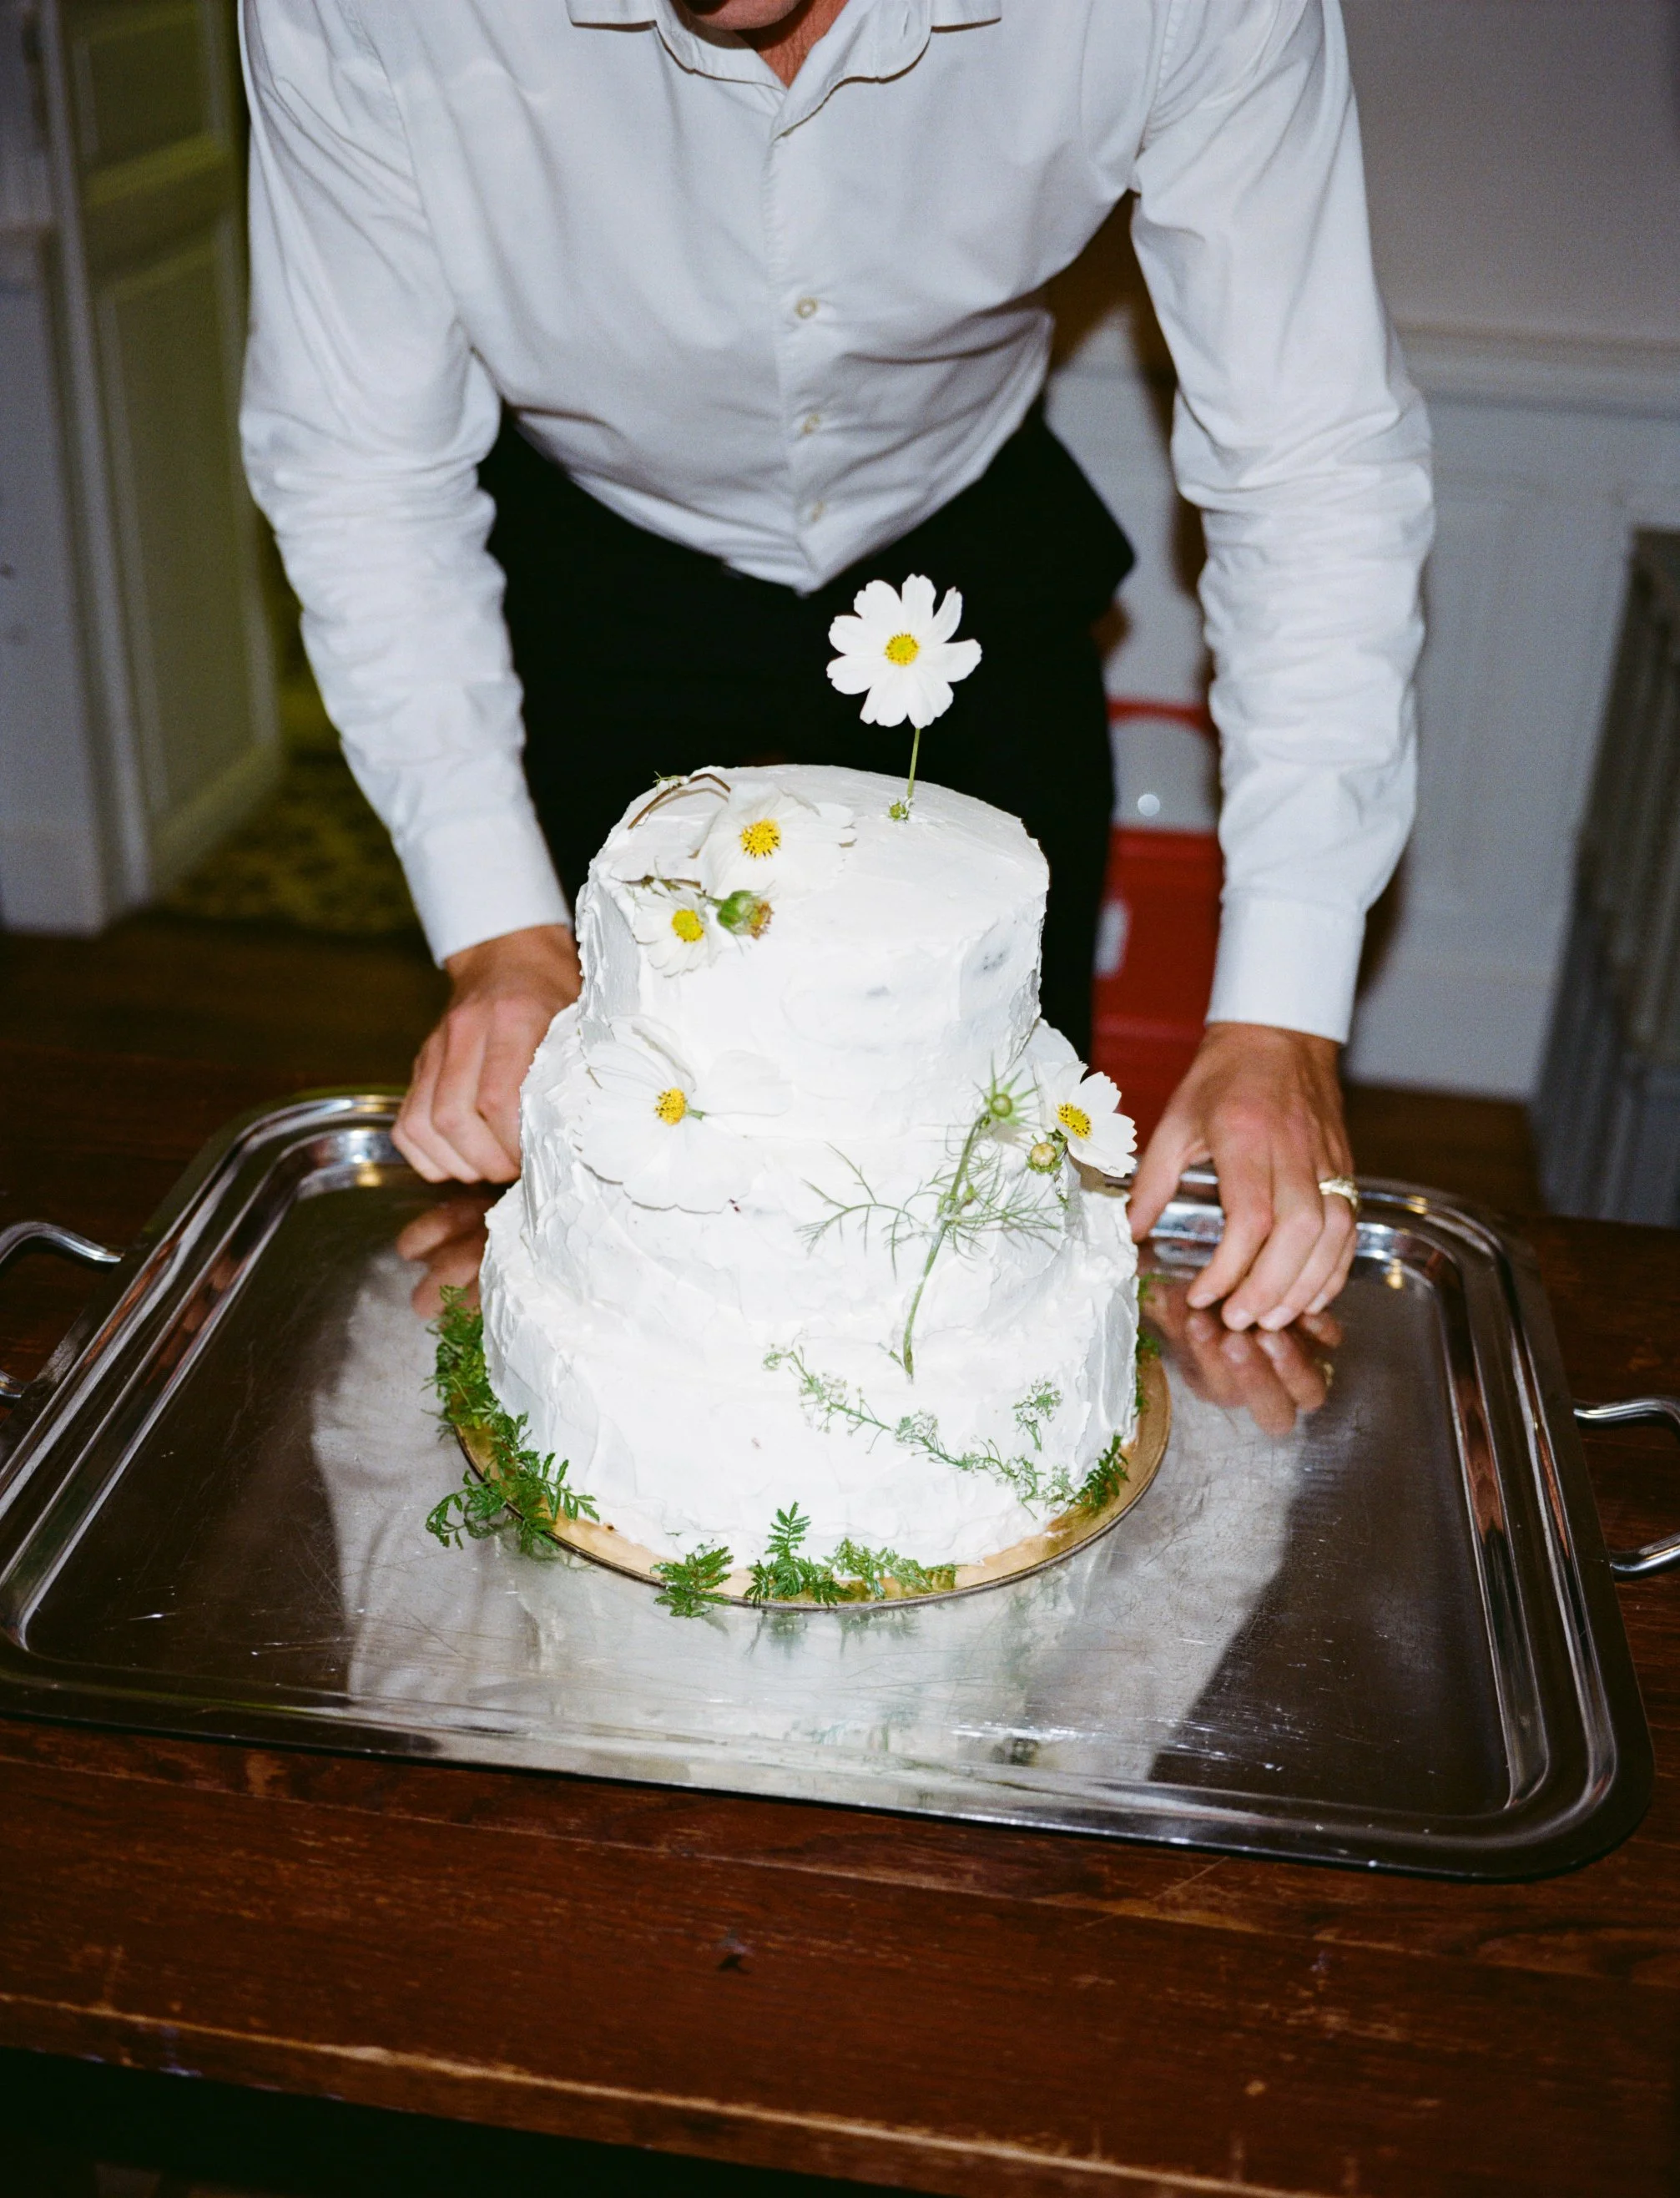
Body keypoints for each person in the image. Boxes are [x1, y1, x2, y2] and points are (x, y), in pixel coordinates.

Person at [240, 0, 1431, 1333]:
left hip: (968, 558)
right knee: (630, 1220)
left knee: (983, 1211)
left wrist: (1282, 1013)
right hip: (594, 588)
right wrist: (496, 931)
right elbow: (359, 464)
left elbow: (1310, 463)